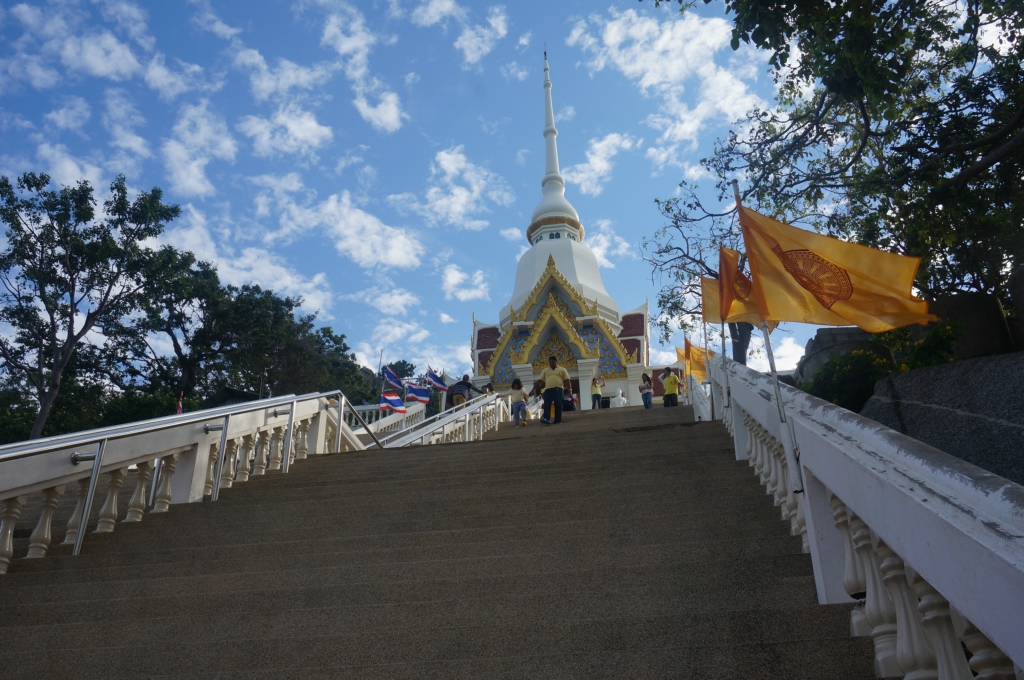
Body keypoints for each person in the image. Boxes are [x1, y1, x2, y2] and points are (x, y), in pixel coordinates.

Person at [537, 355, 570, 424]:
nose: (552, 364)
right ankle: (546, 418)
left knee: (558, 404)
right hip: (548, 390)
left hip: (558, 390)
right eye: (550, 363)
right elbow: (540, 381)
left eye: (553, 362)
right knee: (547, 403)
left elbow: (567, 380)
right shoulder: (545, 370)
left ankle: (558, 420)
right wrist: (533, 389)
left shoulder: (562, 369)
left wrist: (570, 389)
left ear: (556, 362)